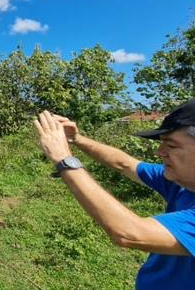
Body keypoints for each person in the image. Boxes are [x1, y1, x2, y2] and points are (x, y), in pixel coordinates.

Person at [34, 99, 195, 289]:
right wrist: (77, 139)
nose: (160, 153)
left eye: (172, 145)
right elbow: (125, 164)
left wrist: (63, 158)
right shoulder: (180, 182)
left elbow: (129, 233)